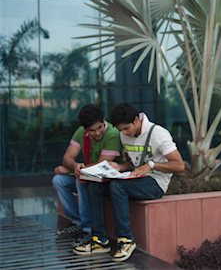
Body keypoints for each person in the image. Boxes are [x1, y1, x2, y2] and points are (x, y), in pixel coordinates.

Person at [73, 103, 185, 262]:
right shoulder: (124, 135)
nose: (124, 133)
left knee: (117, 187)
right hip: (134, 178)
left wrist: (152, 165)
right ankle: (99, 240)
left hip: (155, 183)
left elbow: (179, 166)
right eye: (121, 130)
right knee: (94, 184)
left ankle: (126, 240)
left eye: (126, 128)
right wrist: (118, 167)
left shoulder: (158, 134)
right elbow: (130, 163)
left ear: (137, 120)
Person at [52, 104, 122, 241]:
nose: (96, 133)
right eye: (92, 130)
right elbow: (67, 158)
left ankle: (88, 229)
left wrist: (71, 169)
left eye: (99, 128)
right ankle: (78, 222)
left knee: (81, 179)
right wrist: (75, 166)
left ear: (103, 122)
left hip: (107, 180)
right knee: (58, 180)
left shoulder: (112, 134)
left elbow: (102, 165)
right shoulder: (80, 132)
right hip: (89, 176)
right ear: (85, 129)